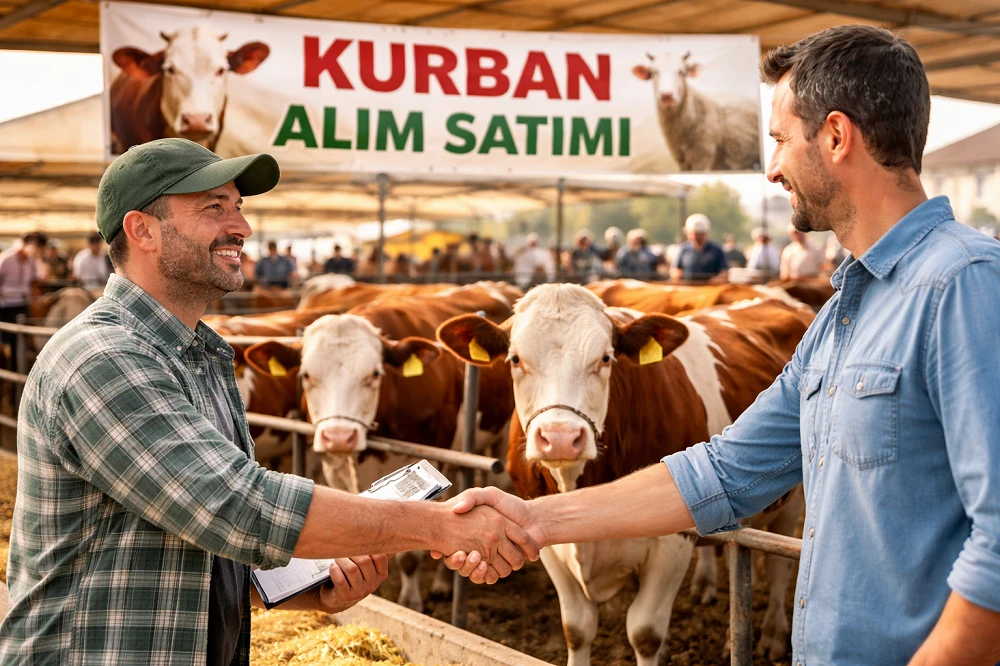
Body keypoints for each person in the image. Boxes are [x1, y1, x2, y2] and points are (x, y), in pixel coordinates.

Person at [436, 25, 1000, 666]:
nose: (772, 167)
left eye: (781, 140)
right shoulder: (844, 311)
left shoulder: (966, 285)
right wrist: (534, 518)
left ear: (837, 137)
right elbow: (726, 471)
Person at [0, 138, 539, 663]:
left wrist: (308, 590)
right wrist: (440, 526)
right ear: (142, 229)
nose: (242, 226)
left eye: (237, 206)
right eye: (214, 208)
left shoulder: (201, 356)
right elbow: (236, 504)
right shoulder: (102, 357)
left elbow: (206, 534)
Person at [0, 232, 40, 389]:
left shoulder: (31, 263)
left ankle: (17, 381)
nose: (36, 250)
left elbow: (33, 283)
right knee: (7, 343)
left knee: (20, 343)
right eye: (35, 246)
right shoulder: (6, 259)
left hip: (22, 305)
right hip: (5, 306)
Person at [669, 214, 728, 281]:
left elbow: (724, 272)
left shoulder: (717, 250)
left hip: (711, 289)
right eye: (694, 234)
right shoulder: (682, 250)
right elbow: (675, 270)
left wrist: (716, 279)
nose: (696, 237)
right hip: (687, 288)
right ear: (688, 233)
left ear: (705, 233)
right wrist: (677, 276)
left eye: (700, 234)